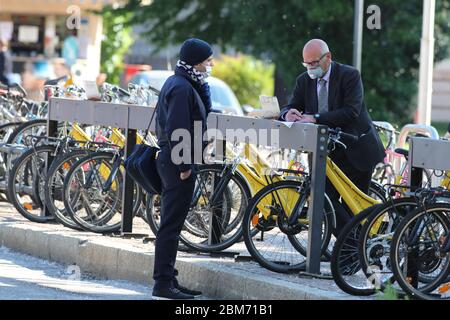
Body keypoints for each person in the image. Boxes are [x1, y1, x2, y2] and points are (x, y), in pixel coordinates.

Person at [279, 39, 385, 236]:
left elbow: (351, 111)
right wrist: (288, 114)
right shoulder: (304, 80)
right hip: (325, 153)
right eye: (306, 64)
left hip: (356, 149)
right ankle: (350, 248)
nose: (310, 68)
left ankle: (351, 250)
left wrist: (315, 118)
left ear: (327, 58)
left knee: (355, 206)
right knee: (322, 200)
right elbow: (291, 105)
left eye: (314, 63)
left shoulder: (349, 75)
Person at [152, 38, 214, 300]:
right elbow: (178, 129)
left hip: (174, 159)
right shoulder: (181, 87)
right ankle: (163, 284)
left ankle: (169, 280)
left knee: (173, 224)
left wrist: (204, 87)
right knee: (171, 225)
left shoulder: (184, 83)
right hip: (178, 162)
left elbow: (201, 112)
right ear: (197, 62)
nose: (211, 65)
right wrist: (185, 166)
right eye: (208, 61)